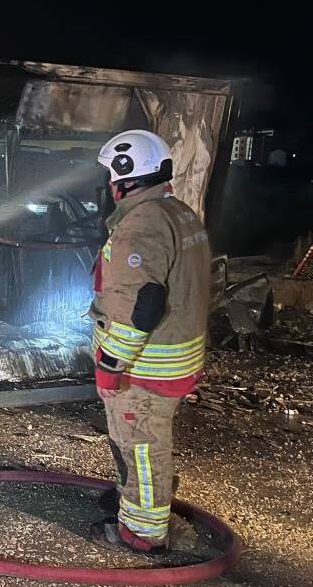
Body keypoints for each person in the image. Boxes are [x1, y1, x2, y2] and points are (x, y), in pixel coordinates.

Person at [89, 130, 211, 553]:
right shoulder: (178, 212)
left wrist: (110, 366)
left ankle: (142, 532)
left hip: (144, 369)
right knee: (146, 439)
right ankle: (136, 500)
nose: (108, 183)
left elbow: (139, 307)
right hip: (178, 358)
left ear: (126, 175)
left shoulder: (140, 225)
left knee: (140, 445)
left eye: (111, 174)